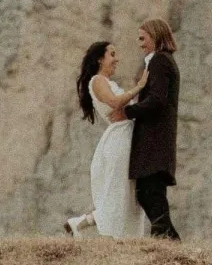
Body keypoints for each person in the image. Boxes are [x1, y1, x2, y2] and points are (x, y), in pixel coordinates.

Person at [66, 40, 149, 239]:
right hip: (120, 138)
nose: (116, 59)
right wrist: (139, 86)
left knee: (128, 193)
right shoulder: (97, 81)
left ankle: (85, 224)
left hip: (126, 135)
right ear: (99, 59)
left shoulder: (107, 82)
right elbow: (113, 102)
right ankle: (82, 223)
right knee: (120, 191)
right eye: (112, 54)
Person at [124, 17, 181, 239]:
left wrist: (128, 111)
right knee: (150, 197)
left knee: (151, 196)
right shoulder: (165, 61)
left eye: (143, 38)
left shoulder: (159, 61)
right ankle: (168, 245)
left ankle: (169, 245)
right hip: (157, 145)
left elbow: (157, 100)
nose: (140, 44)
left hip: (153, 145)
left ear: (155, 36)